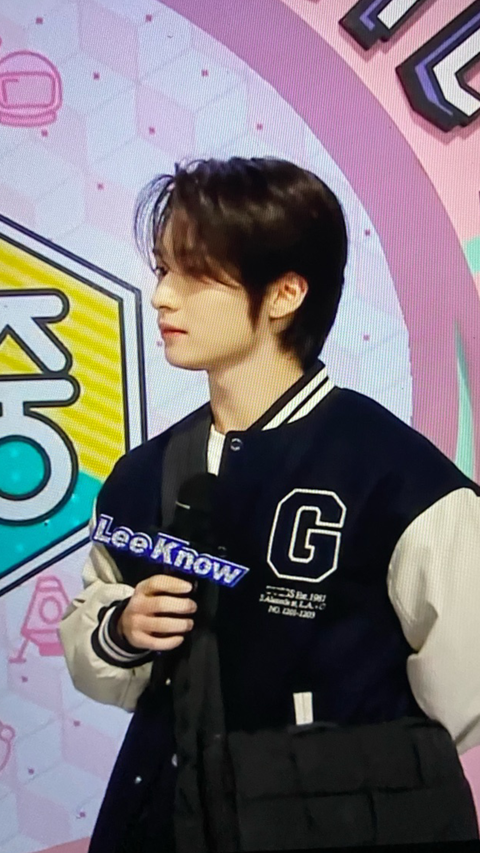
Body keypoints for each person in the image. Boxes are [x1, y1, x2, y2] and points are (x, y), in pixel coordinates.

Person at [59, 157, 480, 852]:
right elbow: (93, 645)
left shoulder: (400, 475)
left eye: (195, 275)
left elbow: (462, 688)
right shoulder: (141, 477)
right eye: (162, 270)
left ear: (285, 292)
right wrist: (123, 628)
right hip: (163, 816)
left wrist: (335, 758)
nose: (162, 298)